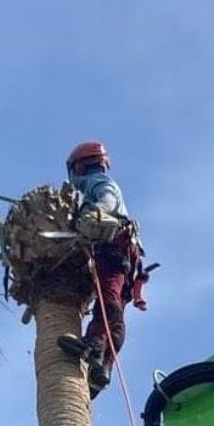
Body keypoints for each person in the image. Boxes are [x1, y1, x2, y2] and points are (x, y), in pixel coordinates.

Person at [56, 140, 149, 398]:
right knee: (113, 302)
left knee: (108, 299)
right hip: (125, 253)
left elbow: (107, 199)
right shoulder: (95, 182)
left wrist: (94, 212)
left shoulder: (97, 182)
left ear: (80, 167)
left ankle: (95, 346)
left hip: (115, 245)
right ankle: (101, 369)